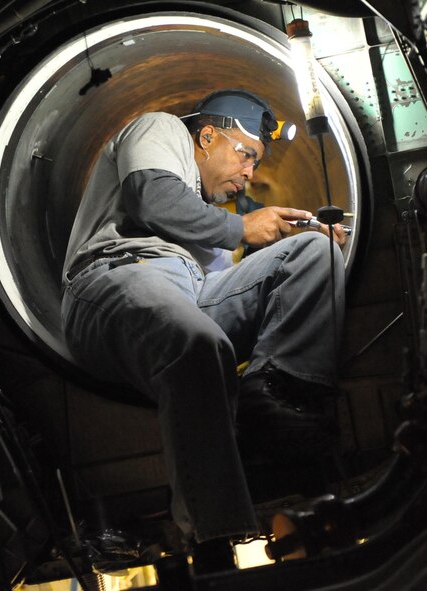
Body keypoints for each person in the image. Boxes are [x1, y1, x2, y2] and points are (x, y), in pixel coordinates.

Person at [60, 89, 346, 562]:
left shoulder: (212, 223)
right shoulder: (162, 128)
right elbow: (150, 197)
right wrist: (243, 229)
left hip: (188, 292)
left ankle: (272, 398)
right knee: (198, 341)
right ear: (208, 135)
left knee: (314, 254)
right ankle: (210, 540)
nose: (250, 173)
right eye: (246, 154)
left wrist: (287, 234)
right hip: (117, 278)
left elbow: (234, 282)